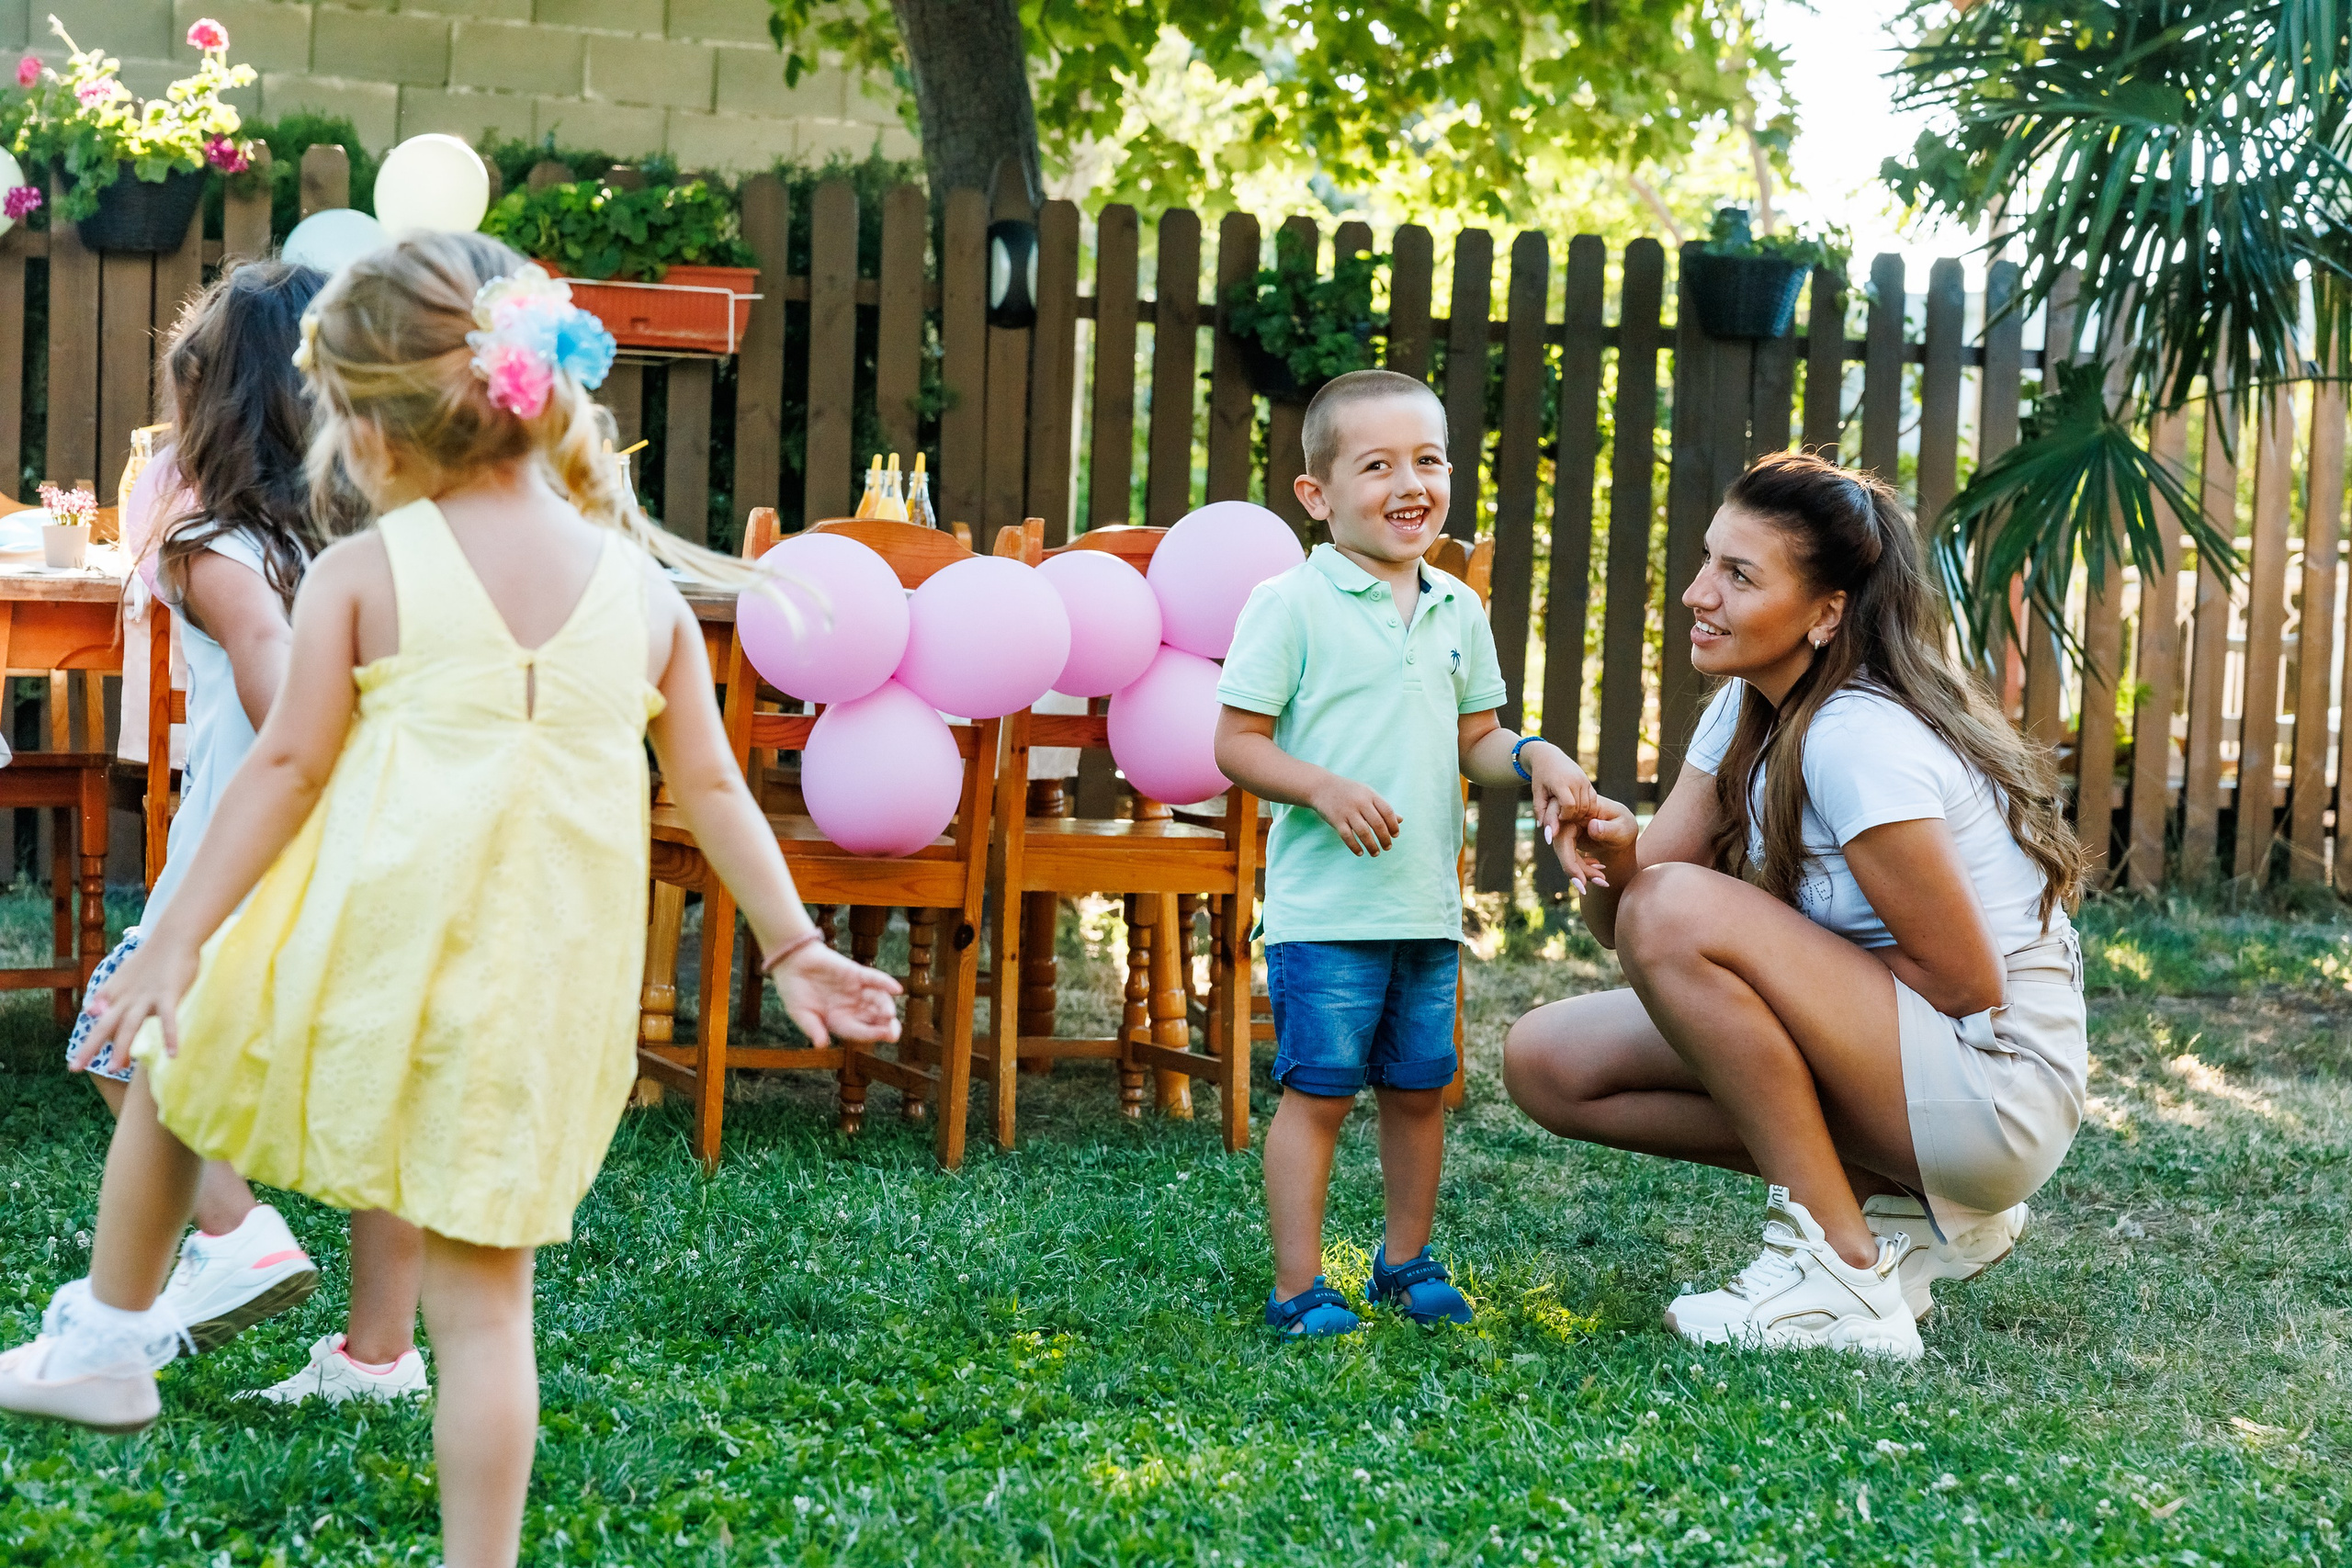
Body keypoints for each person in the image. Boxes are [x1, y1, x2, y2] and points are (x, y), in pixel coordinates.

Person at [0, 234, 904, 1568]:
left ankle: (107, 1336)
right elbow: (712, 785)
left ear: (368, 425)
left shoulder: (368, 576)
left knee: (171, 1064)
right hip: (545, 976)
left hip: (374, 936)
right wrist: (796, 942)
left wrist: (178, 939)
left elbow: (292, 766)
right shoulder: (642, 592)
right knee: (488, 1315)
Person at [1503, 450, 2088, 1361]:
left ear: (1826, 614)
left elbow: (1967, 980)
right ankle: (1913, 1210)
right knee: (1547, 1062)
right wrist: (1615, 861)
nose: (1699, 593)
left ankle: (1838, 1273)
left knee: (1675, 907)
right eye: (1707, 560)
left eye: (1738, 576)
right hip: (1914, 1068)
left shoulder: (1857, 737)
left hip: (1997, 1088)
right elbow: (1636, 926)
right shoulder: (1749, 704)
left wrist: (1775, 980)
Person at [66, 260, 431, 1404]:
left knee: (117, 1033)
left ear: (216, 407)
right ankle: (382, 1357)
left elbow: (282, 693)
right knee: (383, 1113)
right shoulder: (381, 549)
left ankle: (231, 1234)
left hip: (250, 868)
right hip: (388, 854)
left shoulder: (214, 549)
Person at [1215, 368, 1600, 1337]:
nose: (1409, 484)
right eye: (1376, 465)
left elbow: (1477, 738)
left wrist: (1534, 753)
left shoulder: (1454, 608)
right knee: (1320, 1095)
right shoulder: (1289, 602)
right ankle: (1299, 1286)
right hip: (1325, 912)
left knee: (1420, 1090)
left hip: (1423, 905)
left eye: (1426, 460)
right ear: (1318, 495)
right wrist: (1321, 785)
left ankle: (1404, 1260)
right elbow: (1236, 742)